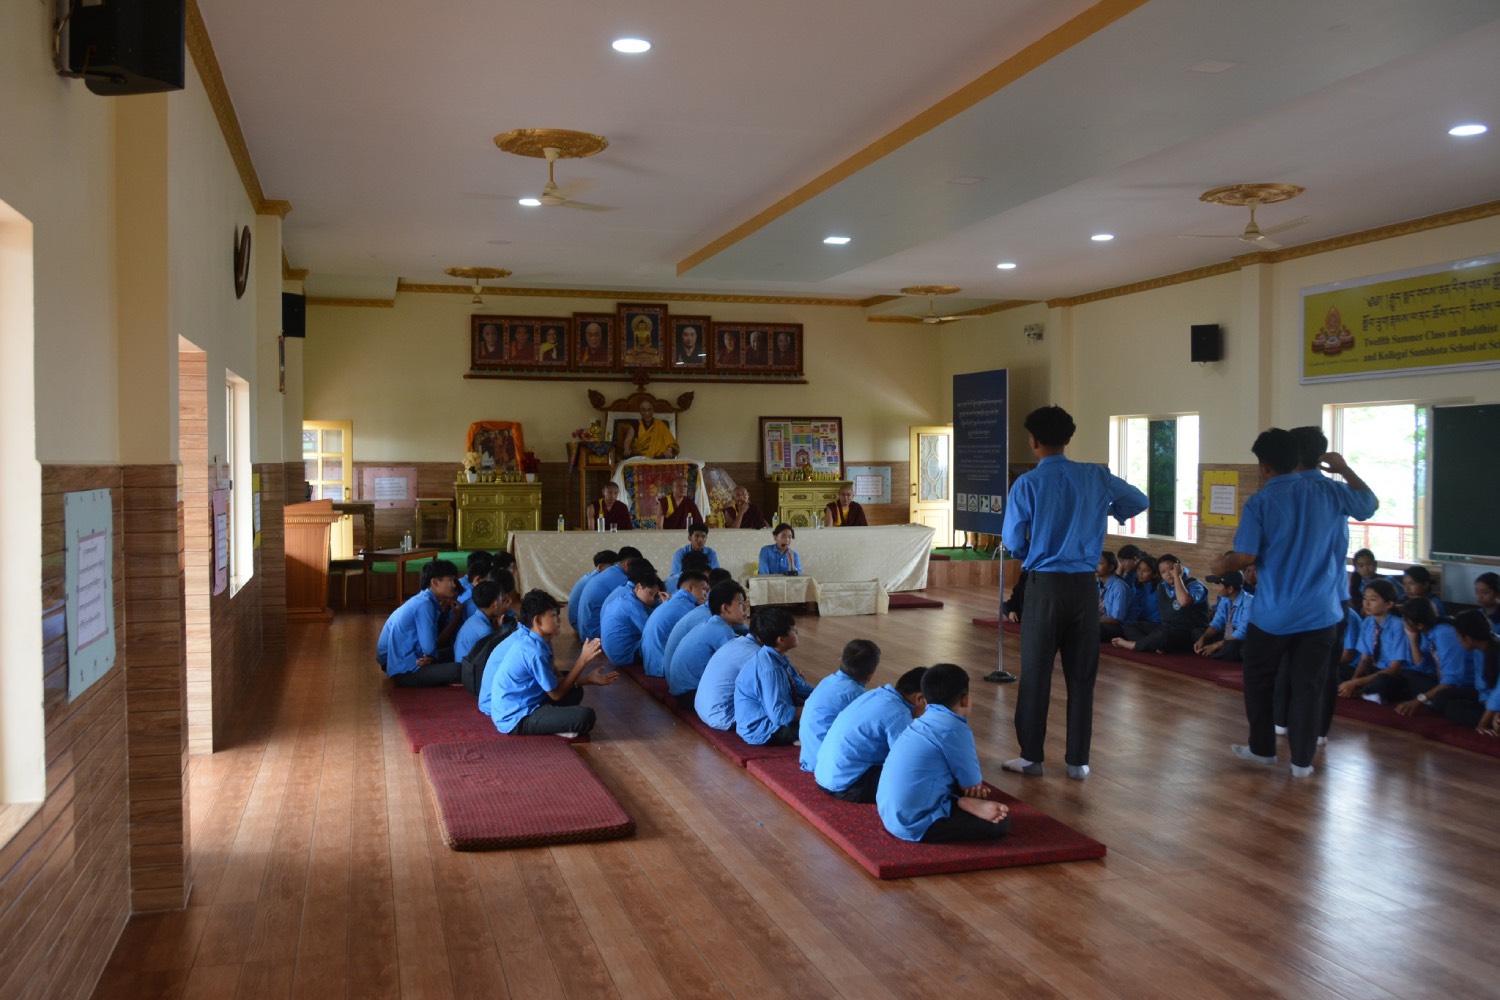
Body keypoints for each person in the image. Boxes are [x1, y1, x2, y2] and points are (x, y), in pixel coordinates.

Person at [1213, 428, 1377, 778]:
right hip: (1323, 611)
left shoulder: (1261, 501)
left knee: (1259, 680)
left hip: (1274, 614)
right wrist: (1344, 469)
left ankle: (1263, 749)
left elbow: (1245, 556)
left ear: (1265, 466)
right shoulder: (1332, 491)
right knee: (1310, 686)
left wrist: (1219, 565)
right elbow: (1369, 505)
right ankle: (1302, 762)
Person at [1001, 405, 1147, 780]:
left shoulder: (1027, 483)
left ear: (1033, 441)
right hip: (1085, 587)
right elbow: (1139, 501)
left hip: (1045, 586)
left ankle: (1031, 757)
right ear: (1068, 438)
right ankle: (1078, 761)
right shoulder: (1096, 475)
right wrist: (1104, 512)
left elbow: (1013, 541)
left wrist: (1030, 551)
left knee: (1036, 674)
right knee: (1082, 676)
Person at [876, 664, 1011, 843]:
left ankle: (958, 803)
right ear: (965, 699)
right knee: (1001, 821)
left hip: (888, 814)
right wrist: (971, 794)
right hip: (915, 823)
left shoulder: (919, 721)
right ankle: (958, 804)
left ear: (925, 700)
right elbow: (972, 786)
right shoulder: (955, 729)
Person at [486, 591, 616, 736]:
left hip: (531, 700)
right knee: (586, 716)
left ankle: (553, 721)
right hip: (516, 717)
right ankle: (553, 725)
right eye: (554, 616)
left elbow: (556, 679)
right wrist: (582, 660)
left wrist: (588, 680)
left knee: (575, 689)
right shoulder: (534, 652)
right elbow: (556, 695)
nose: (559, 620)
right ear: (538, 621)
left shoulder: (536, 640)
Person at [814, 667, 927, 803]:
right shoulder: (900, 713)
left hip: (824, 775)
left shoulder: (876, 694)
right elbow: (908, 761)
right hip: (849, 786)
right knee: (921, 779)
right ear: (920, 698)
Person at [375, 559, 466, 687]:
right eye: (450, 580)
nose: (454, 585)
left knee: (453, 652)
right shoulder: (425, 605)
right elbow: (429, 648)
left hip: (399, 662)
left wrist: (431, 656)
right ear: (435, 582)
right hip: (406, 670)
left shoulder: (423, 600)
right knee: (459, 669)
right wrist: (431, 657)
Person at [798, 640, 881, 771]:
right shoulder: (856, 694)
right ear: (870, 675)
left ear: (840, 660)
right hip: (827, 765)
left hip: (810, 755)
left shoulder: (829, 680)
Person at [733, 608, 812, 746]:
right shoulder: (770, 670)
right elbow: (780, 716)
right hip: (763, 729)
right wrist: (816, 708)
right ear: (781, 640)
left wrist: (825, 697)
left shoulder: (774, 656)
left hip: (772, 717)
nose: (797, 632)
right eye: (793, 630)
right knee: (825, 725)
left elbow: (801, 687)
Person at [668, 581, 749, 710]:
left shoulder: (712, 623)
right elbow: (736, 668)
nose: (745, 608)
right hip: (690, 695)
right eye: (740, 604)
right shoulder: (723, 631)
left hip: (681, 692)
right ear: (725, 608)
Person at [1386, 598, 1470, 717]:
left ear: (1420, 625)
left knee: (1442, 702)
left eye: (1406, 620)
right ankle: (1430, 700)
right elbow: (1423, 668)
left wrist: (1420, 699)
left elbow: (1453, 679)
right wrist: (1413, 639)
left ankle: (1433, 701)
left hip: (1464, 684)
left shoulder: (1444, 633)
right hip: (1441, 680)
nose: (1403, 623)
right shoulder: (1427, 632)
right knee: (1406, 674)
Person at [1111, 554, 1209, 654]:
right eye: (1163, 572)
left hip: (1188, 632)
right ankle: (1153, 645)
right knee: (1130, 626)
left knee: (1163, 634)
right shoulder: (1162, 585)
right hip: (1167, 628)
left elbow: (1184, 602)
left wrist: (1177, 577)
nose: (1168, 574)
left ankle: (1134, 645)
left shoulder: (1195, 585)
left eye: (1171, 569)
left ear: (1179, 568)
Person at [1336, 579, 1407, 699]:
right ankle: (1361, 692)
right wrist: (1354, 680)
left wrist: (1355, 683)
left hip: (1392, 674)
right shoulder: (1368, 622)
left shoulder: (1398, 626)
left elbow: (1394, 668)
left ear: (1389, 604)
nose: (1366, 604)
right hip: (1373, 670)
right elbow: (1364, 660)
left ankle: (1362, 692)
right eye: (1365, 598)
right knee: (1336, 671)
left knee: (1382, 682)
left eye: (1372, 600)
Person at [641, 570, 708, 678]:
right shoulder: (686, 607)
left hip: (652, 663)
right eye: (703, 589)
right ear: (690, 588)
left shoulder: (675, 601)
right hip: (662, 667)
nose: (705, 594)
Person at [599, 564, 664, 666]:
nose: (652, 599)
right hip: (625, 655)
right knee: (664, 642)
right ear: (638, 587)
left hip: (613, 653)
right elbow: (652, 632)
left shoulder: (626, 597)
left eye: (655, 596)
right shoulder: (632, 605)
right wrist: (666, 606)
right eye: (650, 593)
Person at [1448, 610, 1499, 733]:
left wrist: (1483, 723)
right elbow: (1482, 688)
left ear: (1468, 638)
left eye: (1458, 636)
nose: (1458, 640)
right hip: (1493, 704)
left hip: (1497, 702)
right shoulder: (1478, 651)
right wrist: (1492, 713)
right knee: (1450, 705)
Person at [577, 545, 642, 640]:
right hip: (594, 635)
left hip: (586, 630)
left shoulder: (611, 572)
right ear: (628, 563)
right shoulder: (621, 579)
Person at [1194, 571, 1252, 661]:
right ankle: (1216, 651)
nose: (1217, 588)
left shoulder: (1249, 602)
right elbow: (1218, 622)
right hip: (1227, 636)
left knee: (1233, 647)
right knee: (1197, 633)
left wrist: (1215, 645)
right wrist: (1203, 638)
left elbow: (1242, 632)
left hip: (1242, 639)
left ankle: (1215, 651)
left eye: (1219, 585)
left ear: (1230, 589)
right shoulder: (1224, 598)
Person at [454, 579, 506, 664]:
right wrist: (500, 631)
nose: (503, 604)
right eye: (502, 600)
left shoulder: (474, 619)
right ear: (495, 604)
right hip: (467, 670)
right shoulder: (484, 630)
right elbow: (493, 659)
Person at [568, 550, 616, 632]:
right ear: (600, 567)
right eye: (613, 566)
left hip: (577, 621)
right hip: (580, 624)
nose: (616, 570)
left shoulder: (590, 577)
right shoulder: (597, 581)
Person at [1096, 551, 1133, 642]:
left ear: (1111, 568)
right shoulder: (1097, 584)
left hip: (1119, 627)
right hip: (1101, 622)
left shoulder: (1119, 587)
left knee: (1092, 628)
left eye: (1099, 563)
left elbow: (1117, 619)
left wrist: (1093, 619)